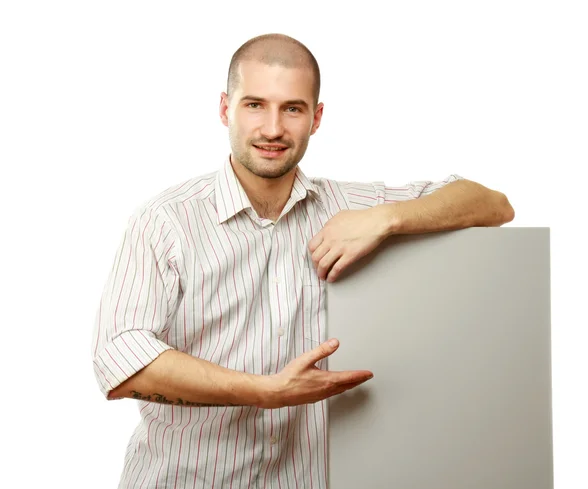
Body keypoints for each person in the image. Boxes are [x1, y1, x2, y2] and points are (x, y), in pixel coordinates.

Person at [92, 33, 514, 489]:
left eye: (292, 108)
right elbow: (120, 362)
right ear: (224, 109)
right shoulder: (164, 221)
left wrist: (388, 218)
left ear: (316, 118)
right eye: (255, 104)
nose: (273, 129)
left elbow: (494, 205)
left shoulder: (354, 207)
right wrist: (266, 392)